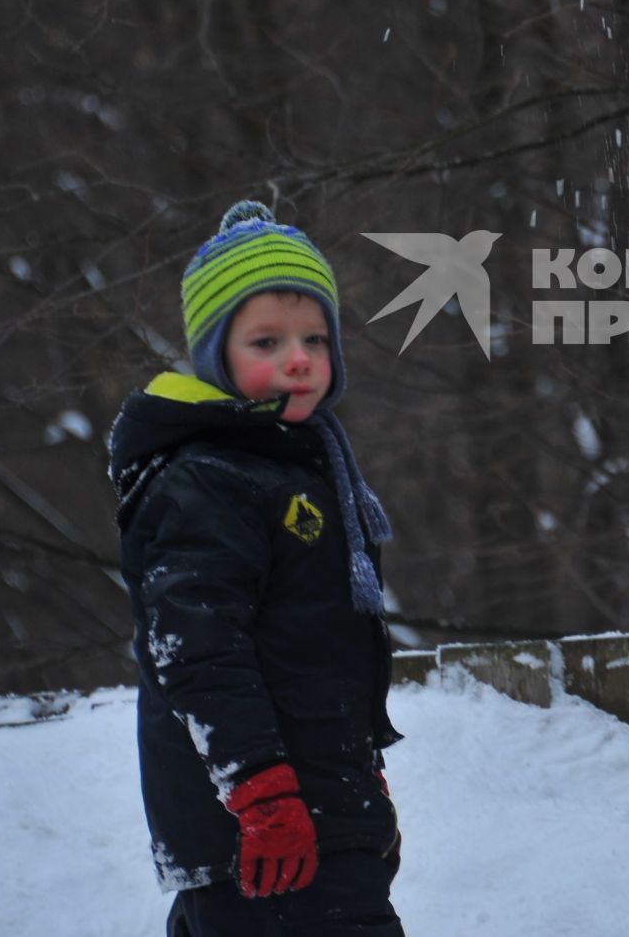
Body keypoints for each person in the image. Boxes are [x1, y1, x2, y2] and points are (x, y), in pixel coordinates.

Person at [108, 200, 404, 937]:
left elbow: (316, 656)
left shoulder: (306, 472)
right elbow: (199, 654)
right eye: (266, 340)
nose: (298, 358)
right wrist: (261, 791)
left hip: (319, 816)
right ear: (217, 356)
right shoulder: (208, 481)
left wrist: (357, 779)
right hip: (260, 830)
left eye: (314, 338)